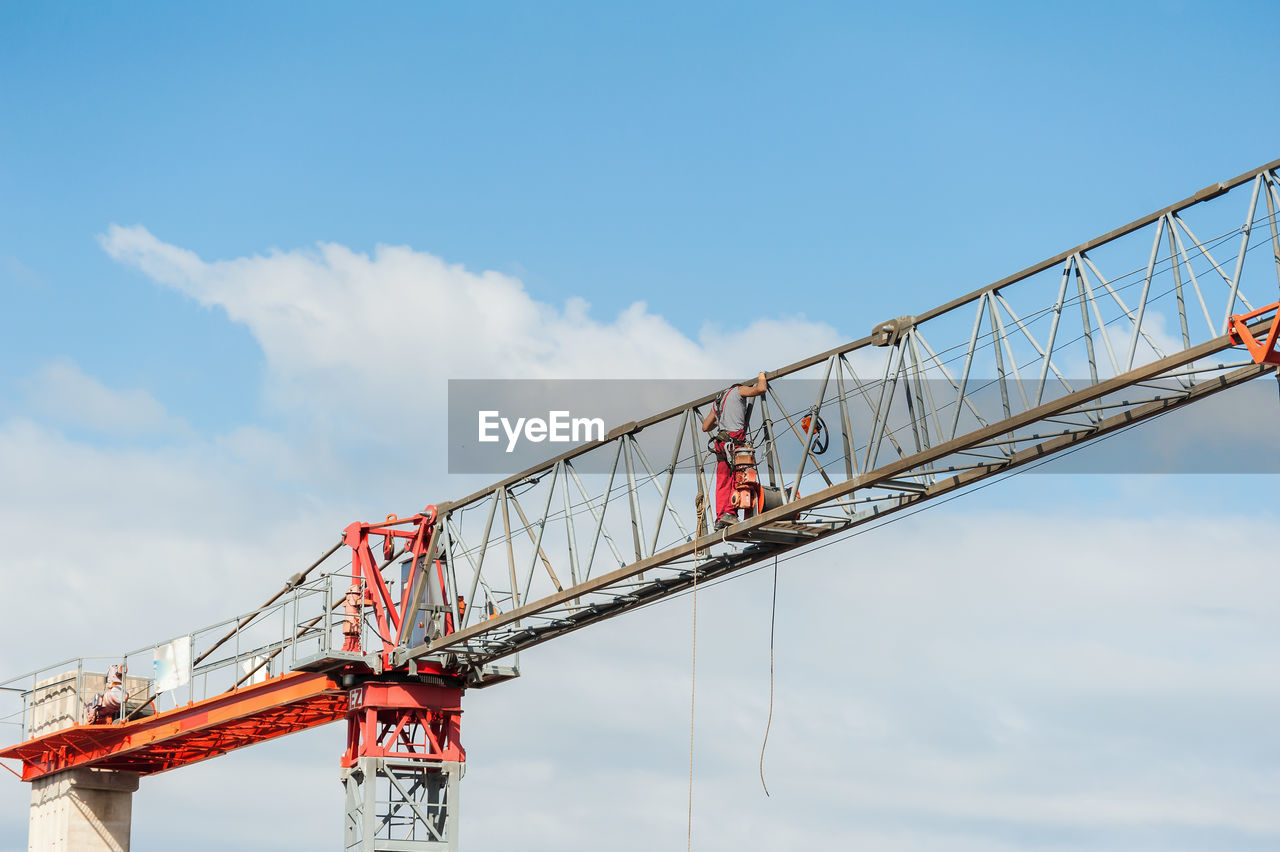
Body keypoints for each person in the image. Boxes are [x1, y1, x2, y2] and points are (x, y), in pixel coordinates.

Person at [701, 372, 767, 529]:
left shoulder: (719, 400)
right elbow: (761, 389)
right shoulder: (740, 390)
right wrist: (761, 376)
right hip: (733, 443)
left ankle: (720, 517)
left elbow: (705, 427)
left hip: (721, 443)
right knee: (736, 478)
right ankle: (730, 513)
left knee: (722, 480)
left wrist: (721, 419)